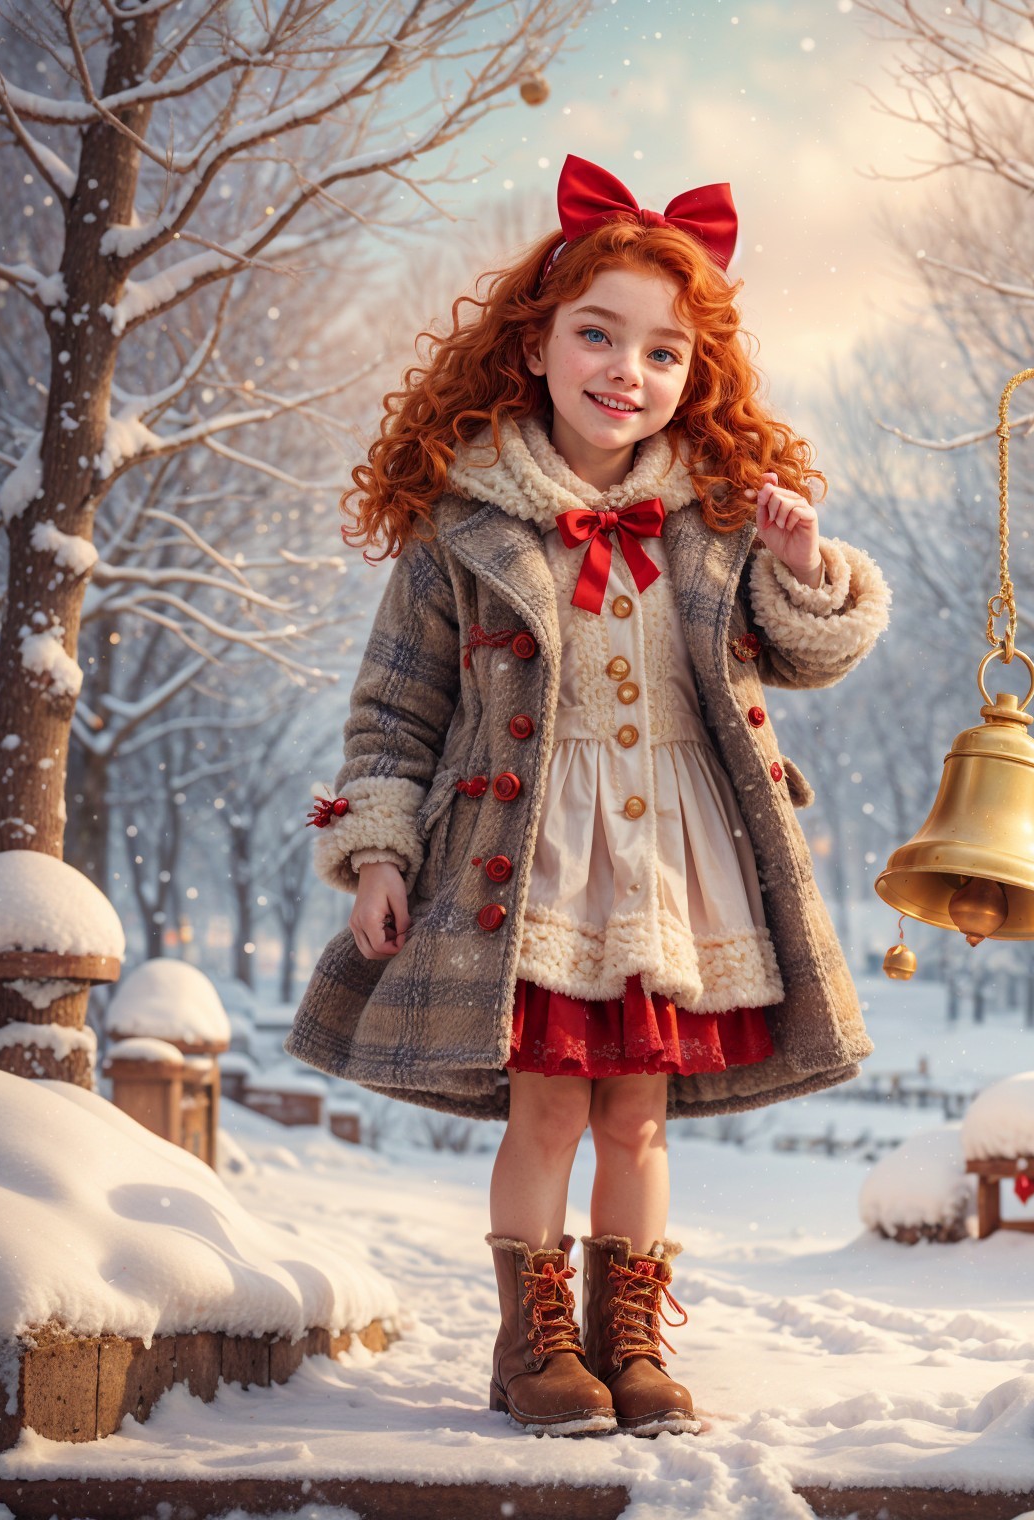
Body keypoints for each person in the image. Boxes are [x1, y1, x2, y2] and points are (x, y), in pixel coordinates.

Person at [287, 155, 891, 1440]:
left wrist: (802, 565)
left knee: (638, 1114)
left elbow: (807, 653)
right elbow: (395, 711)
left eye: (664, 351)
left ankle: (634, 1339)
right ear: (536, 343)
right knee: (548, 1103)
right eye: (598, 334)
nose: (628, 370)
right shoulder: (462, 528)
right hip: (532, 858)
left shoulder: (714, 516)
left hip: (674, 861)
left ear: (694, 373)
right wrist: (380, 853)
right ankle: (533, 1342)